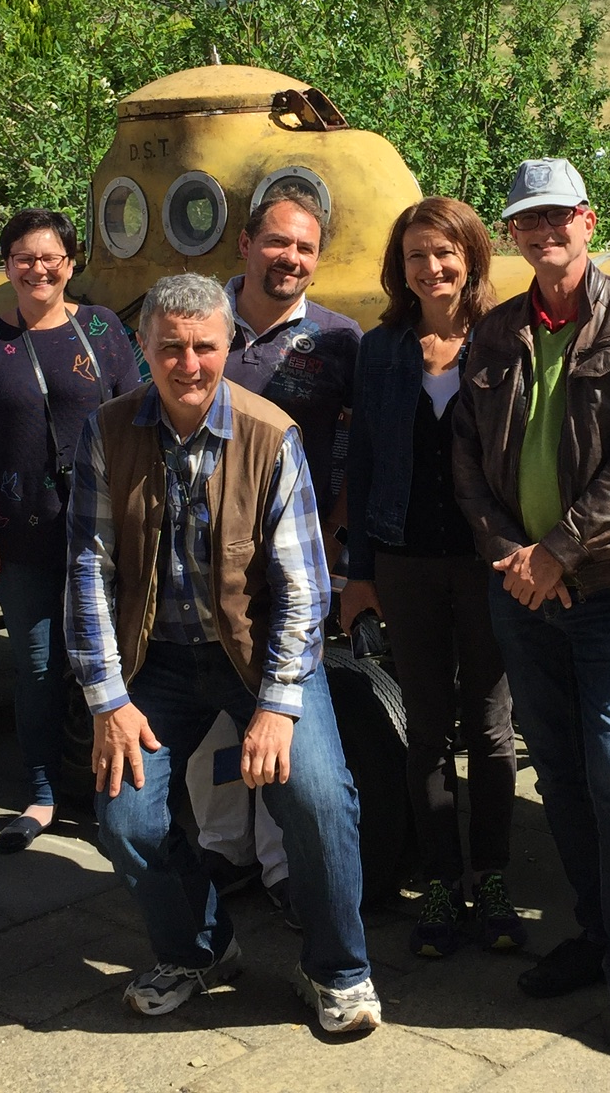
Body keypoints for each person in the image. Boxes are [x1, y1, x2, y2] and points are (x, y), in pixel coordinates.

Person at [69, 273, 381, 1034]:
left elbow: (303, 588)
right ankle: (200, 950)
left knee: (317, 798)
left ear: (227, 344)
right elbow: (88, 570)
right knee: (125, 819)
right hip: (157, 661)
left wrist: (278, 706)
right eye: (170, 348)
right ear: (144, 349)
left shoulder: (271, 434)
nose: (189, 364)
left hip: (260, 656)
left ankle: (339, 969)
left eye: (205, 347)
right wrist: (108, 701)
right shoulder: (107, 430)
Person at [452, 156, 610, 1072]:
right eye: (528, 220)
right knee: (558, 774)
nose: (545, 233)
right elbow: (467, 459)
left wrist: (560, 551)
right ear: (512, 233)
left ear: (588, 220)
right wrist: (512, 555)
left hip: (608, 593)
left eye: (560, 217)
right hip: (521, 594)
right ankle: (595, 934)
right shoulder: (494, 331)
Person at [343, 196, 524, 959]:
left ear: (472, 257)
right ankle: (444, 881)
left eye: (445, 252)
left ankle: (493, 877)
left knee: (490, 728)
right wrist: (358, 571)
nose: (432, 267)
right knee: (425, 727)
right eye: (416, 255)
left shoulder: (505, 339)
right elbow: (363, 462)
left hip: (487, 563)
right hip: (406, 559)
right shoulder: (381, 349)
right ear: (401, 267)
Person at [190, 190, 363, 915]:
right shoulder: (200, 320)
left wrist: (338, 539)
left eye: (305, 248)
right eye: (277, 242)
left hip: (294, 560)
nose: (290, 258)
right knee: (214, 716)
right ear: (245, 244)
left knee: (279, 707)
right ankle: (223, 845)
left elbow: (359, 449)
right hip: (201, 555)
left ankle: (281, 861)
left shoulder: (339, 339)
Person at [0, 208, 140, 852]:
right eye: (24, 258)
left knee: (114, 662)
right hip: (20, 534)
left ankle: (120, 794)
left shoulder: (102, 329)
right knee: (36, 666)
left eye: (50, 257)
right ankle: (41, 793)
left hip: (104, 533)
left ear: (71, 262)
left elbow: (138, 419)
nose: (38, 269)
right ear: (7, 265)